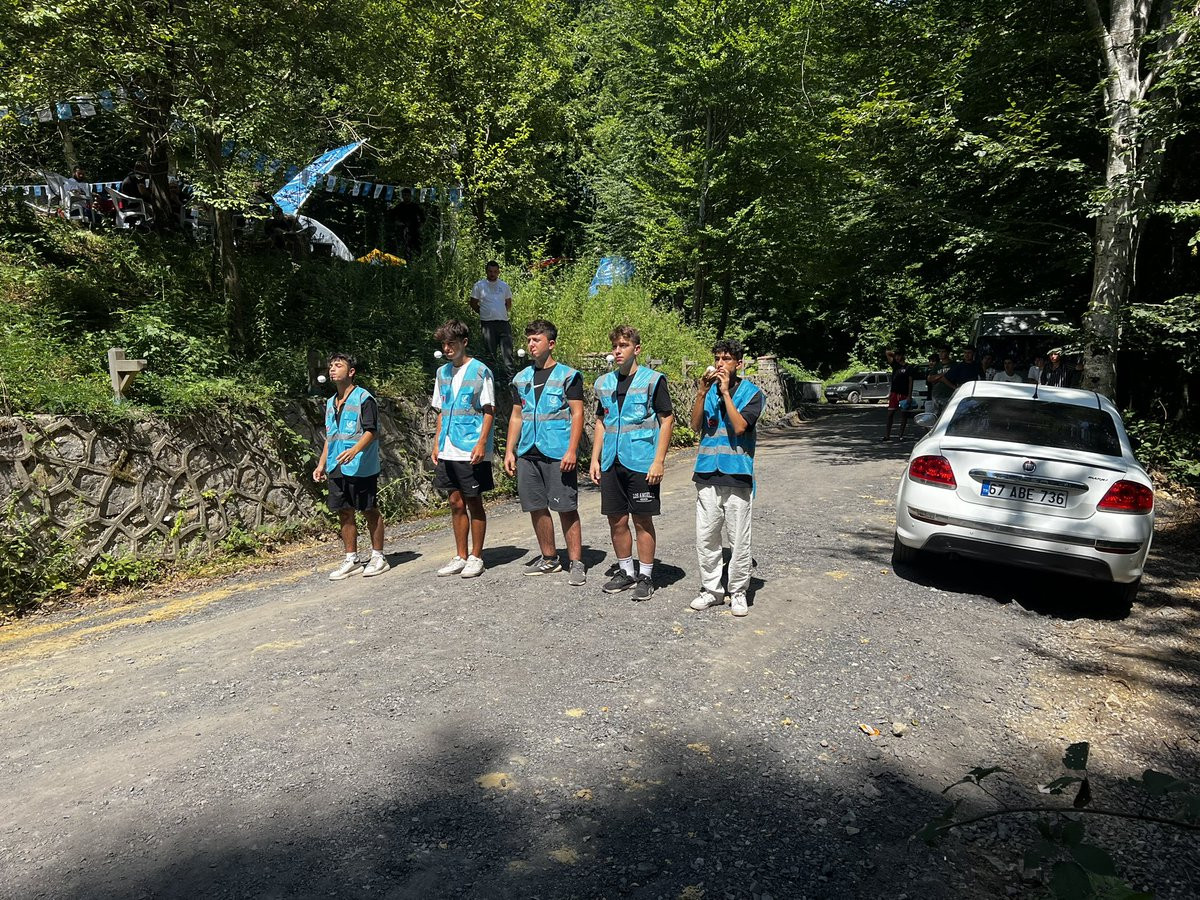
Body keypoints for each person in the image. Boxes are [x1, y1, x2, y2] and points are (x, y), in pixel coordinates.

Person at [590, 325, 675, 601]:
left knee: (642, 519)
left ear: (636, 349)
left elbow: (666, 420)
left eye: (623, 345)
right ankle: (626, 571)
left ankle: (646, 576)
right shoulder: (604, 383)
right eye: (615, 346)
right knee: (616, 519)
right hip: (611, 461)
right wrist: (594, 459)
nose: (618, 351)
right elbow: (601, 421)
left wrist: (659, 461)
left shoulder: (653, 380)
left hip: (641, 461)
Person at [504, 320, 587, 585]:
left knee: (566, 507)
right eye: (528, 340)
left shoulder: (568, 376)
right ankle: (549, 558)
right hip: (528, 451)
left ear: (551, 344)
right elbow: (516, 416)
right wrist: (509, 450)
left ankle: (576, 562)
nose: (531, 344)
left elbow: (577, 414)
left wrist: (572, 450)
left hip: (557, 451)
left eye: (536, 340)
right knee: (536, 506)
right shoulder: (521, 378)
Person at [688, 339, 764, 618]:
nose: (720, 363)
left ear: (738, 364)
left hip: (737, 474)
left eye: (727, 359)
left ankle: (738, 591)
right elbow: (695, 425)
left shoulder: (753, 393)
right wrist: (701, 393)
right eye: (718, 358)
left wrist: (725, 394)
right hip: (707, 471)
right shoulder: (708, 391)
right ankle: (712, 589)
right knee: (706, 537)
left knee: (738, 539)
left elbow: (741, 426)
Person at [312, 352, 387, 580]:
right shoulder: (330, 402)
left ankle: (378, 557)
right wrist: (321, 464)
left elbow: (371, 431)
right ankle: (352, 559)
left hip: (360, 466)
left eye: (338, 365)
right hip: (337, 465)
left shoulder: (364, 398)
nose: (332, 369)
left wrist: (354, 451)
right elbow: (331, 436)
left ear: (351, 372)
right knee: (344, 511)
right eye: (331, 366)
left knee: (369, 509)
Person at [430, 319, 496, 578]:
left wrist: (481, 444)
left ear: (464, 342)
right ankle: (460, 555)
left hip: (470, 447)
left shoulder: (480, 371)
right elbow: (441, 410)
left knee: (473, 501)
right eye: (444, 344)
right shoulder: (442, 373)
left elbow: (489, 410)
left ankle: (476, 557)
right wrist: (437, 442)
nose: (447, 349)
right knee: (455, 502)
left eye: (452, 343)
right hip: (448, 446)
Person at [470, 261, 514, 378]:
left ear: (498, 272)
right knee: (490, 354)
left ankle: (510, 379)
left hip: (503, 323)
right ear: (486, 271)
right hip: (487, 324)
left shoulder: (504, 286)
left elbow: (508, 303)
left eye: (495, 271)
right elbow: (473, 303)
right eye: (490, 271)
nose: (492, 274)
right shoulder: (479, 286)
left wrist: (500, 313)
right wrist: (483, 312)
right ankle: (491, 380)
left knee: (508, 353)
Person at [882, 349, 914, 441]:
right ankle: (887, 435)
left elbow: (910, 381)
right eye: (896, 355)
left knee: (904, 414)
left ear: (903, 356)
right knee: (890, 414)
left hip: (904, 393)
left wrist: (909, 395)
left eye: (899, 355)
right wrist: (895, 354)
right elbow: (887, 353)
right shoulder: (895, 365)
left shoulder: (908, 367)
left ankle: (900, 435)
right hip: (894, 393)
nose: (897, 357)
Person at [926, 346, 954, 416]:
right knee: (936, 416)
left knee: (946, 416)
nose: (941, 353)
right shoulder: (937, 365)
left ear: (948, 353)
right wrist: (942, 375)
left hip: (949, 394)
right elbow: (929, 378)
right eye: (940, 352)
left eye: (943, 352)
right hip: (936, 395)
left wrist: (938, 377)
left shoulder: (954, 365)